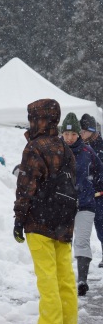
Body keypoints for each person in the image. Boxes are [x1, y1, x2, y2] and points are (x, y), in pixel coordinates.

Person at [13, 99, 77, 323]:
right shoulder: (65, 148)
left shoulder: (34, 148)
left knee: (47, 280)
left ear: (39, 120)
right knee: (65, 279)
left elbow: (26, 187)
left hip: (39, 221)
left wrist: (19, 219)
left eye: (33, 118)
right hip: (64, 221)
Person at [61, 112, 103, 296]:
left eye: (73, 134)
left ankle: (82, 280)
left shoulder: (88, 152)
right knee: (62, 241)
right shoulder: (56, 151)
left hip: (86, 204)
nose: (69, 138)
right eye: (66, 134)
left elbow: (100, 172)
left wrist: (96, 190)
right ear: (62, 134)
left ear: (79, 135)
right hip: (61, 204)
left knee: (82, 240)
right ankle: (63, 278)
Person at [81, 113, 103, 268]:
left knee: (102, 226)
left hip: (100, 195)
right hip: (88, 195)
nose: (81, 134)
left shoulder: (99, 147)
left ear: (91, 131)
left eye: (84, 131)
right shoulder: (83, 147)